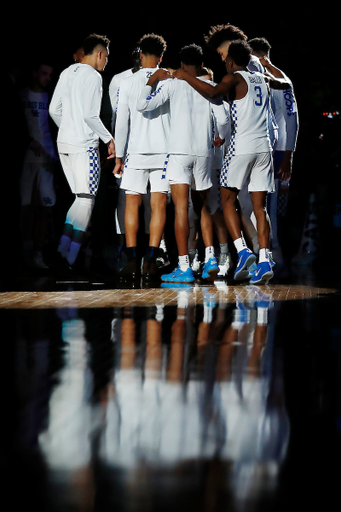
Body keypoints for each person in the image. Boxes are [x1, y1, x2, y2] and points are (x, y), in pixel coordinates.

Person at [173, 40, 290, 284]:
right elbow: (286, 84)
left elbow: (212, 92)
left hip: (241, 147)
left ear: (230, 61)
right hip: (264, 149)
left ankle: (243, 250)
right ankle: (265, 259)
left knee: (227, 198)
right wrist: (269, 67)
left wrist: (185, 77)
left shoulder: (234, 78)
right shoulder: (263, 78)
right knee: (260, 208)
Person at [137, 44, 230, 283]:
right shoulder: (209, 86)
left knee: (181, 209)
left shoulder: (172, 84)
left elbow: (143, 105)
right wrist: (219, 136)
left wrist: (153, 80)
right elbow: (223, 119)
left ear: (181, 62)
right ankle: (210, 257)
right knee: (203, 208)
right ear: (201, 64)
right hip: (204, 152)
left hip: (179, 152)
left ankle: (184, 267)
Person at [49, 34, 115, 271]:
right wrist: (109, 139)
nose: (106, 61)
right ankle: (67, 258)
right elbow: (90, 115)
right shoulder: (94, 76)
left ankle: (63, 253)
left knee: (80, 198)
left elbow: (53, 109)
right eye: (106, 56)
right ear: (99, 54)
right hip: (84, 145)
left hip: (64, 143)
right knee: (86, 200)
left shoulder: (67, 71)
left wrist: (67, 128)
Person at [113, 33, 170, 281]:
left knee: (132, 205)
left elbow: (122, 123)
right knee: (157, 206)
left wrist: (119, 156)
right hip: (163, 151)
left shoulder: (127, 82)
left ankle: (132, 260)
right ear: (161, 57)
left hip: (135, 152)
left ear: (139, 54)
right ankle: (151, 260)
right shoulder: (169, 81)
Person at [249, 37, 299, 266]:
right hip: (261, 146)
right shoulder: (260, 78)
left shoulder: (279, 81)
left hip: (275, 149)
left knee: (267, 205)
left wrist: (288, 155)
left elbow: (292, 119)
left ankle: (272, 255)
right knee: (254, 203)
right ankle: (261, 252)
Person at [19, 58, 58, 270]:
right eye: (44, 74)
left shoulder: (51, 98)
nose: (47, 79)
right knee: (25, 208)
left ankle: (38, 253)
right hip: (25, 160)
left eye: (50, 75)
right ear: (35, 73)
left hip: (47, 160)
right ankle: (24, 253)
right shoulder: (21, 95)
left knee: (44, 207)